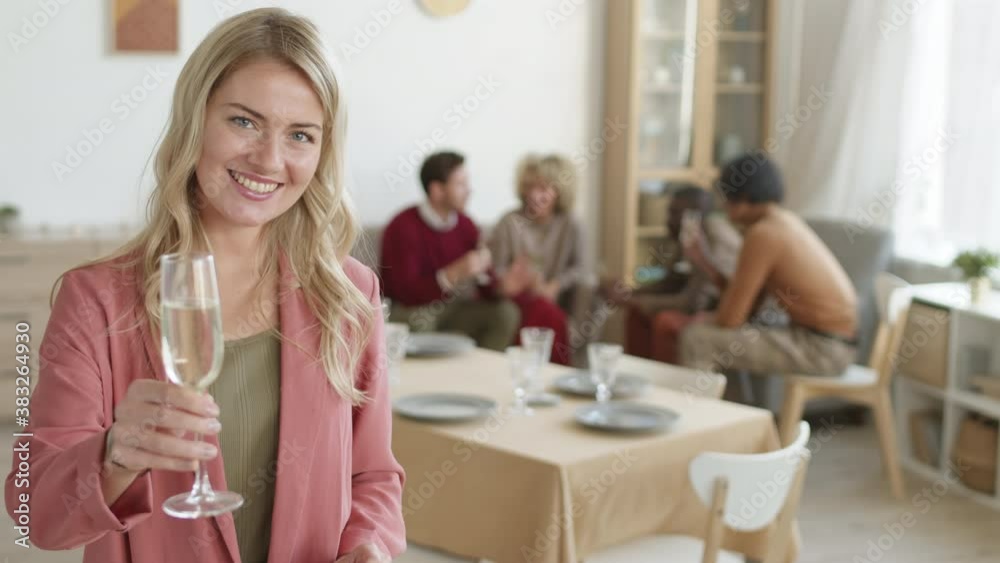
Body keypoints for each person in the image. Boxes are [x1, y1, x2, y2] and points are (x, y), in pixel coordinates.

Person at [4, 9, 404, 563]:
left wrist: (370, 546)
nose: (268, 159)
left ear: (321, 151)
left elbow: (375, 476)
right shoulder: (95, 298)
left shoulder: (349, 294)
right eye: (243, 121)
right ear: (195, 120)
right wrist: (114, 454)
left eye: (300, 135)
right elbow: (33, 513)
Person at [679, 152, 858, 378]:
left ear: (742, 197)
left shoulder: (763, 235)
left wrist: (709, 318)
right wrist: (705, 262)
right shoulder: (785, 222)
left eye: (725, 197)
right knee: (707, 333)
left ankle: (701, 412)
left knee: (697, 339)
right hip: (836, 345)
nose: (723, 207)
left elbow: (729, 320)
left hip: (822, 349)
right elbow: (748, 307)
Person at [381, 151, 521, 351]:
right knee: (419, 320)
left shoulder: (466, 225)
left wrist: (500, 287)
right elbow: (405, 294)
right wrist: (452, 274)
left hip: (453, 309)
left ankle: (482, 374)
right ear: (437, 190)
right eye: (460, 184)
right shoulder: (402, 226)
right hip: (412, 309)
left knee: (506, 313)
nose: (469, 190)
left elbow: (486, 285)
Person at [621, 184, 742, 363]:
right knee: (638, 313)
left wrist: (636, 300)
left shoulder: (715, 239)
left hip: (718, 311)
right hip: (701, 304)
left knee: (665, 322)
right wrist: (632, 293)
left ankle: (666, 384)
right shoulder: (689, 233)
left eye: (674, 213)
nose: (668, 220)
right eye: (669, 212)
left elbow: (693, 302)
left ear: (694, 215)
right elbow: (671, 280)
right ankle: (640, 374)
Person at [488, 154, 585, 365]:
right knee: (546, 313)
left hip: (551, 297)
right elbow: (496, 270)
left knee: (548, 311)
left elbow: (580, 268)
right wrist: (521, 281)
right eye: (530, 187)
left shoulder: (571, 224)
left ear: (559, 192)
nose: (534, 195)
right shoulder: (509, 222)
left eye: (543, 189)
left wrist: (555, 285)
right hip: (518, 298)